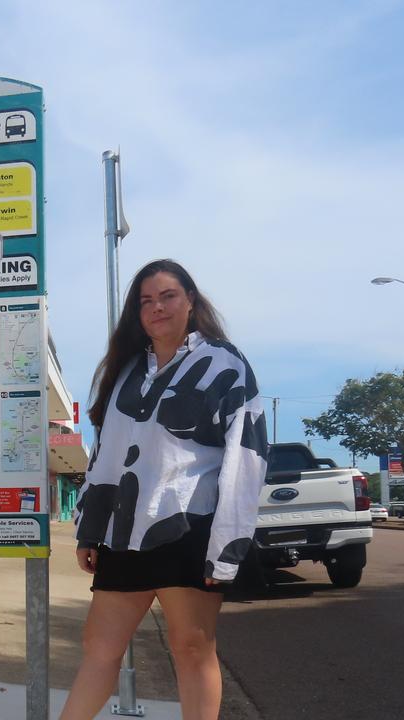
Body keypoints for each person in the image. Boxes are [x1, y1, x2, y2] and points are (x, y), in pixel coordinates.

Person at [59, 259, 269, 720]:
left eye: (167, 296)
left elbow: (246, 456)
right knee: (99, 645)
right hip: (123, 530)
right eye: (146, 301)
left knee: (192, 647)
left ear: (191, 301)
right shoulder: (126, 371)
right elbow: (105, 454)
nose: (156, 307)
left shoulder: (224, 363)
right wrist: (89, 529)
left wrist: (228, 547)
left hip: (189, 527)